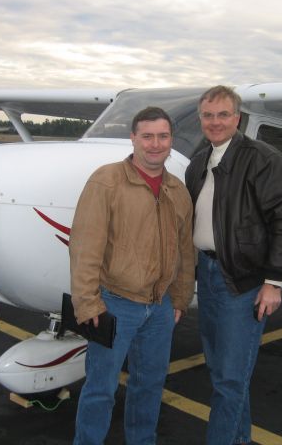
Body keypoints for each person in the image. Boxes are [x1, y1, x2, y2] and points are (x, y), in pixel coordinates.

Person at [185, 86, 282, 445]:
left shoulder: (264, 160)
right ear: (201, 118)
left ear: (238, 118)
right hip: (206, 275)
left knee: (230, 379)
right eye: (209, 115)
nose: (215, 122)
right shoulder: (200, 159)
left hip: (243, 282)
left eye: (224, 115)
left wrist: (273, 281)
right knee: (222, 371)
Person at [69, 106, 195, 445]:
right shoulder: (106, 181)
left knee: (150, 386)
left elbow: (185, 251)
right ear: (133, 138)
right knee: (100, 389)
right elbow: (84, 246)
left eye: (163, 136)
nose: (155, 144)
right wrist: (87, 303)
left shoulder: (177, 191)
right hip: (113, 305)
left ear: (171, 140)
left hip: (160, 309)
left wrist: (180, 298)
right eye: (148, 136)